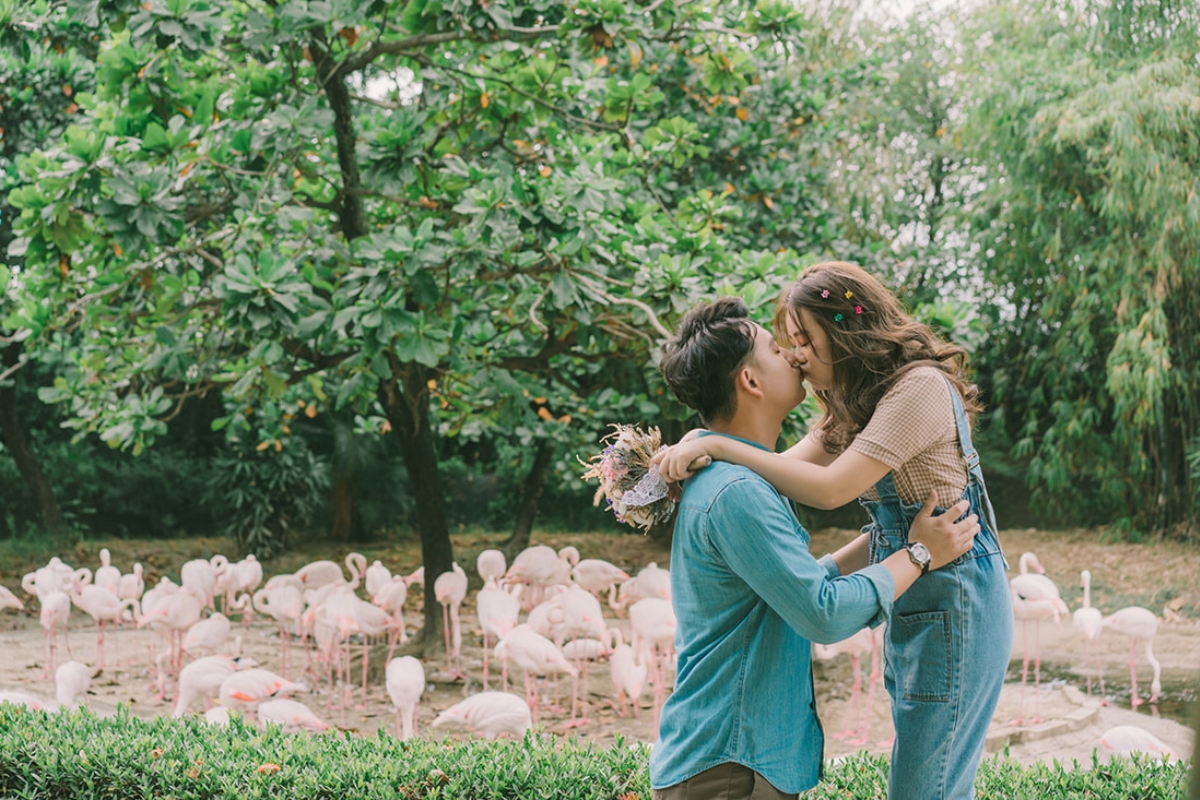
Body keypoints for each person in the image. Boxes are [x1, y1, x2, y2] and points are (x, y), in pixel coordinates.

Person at [655, 262, 1012, 800]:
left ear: (844, 334)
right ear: (749, 380)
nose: (794, 354)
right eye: (784, 344)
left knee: (927, 790)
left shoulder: (917, 389)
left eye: (802, 340)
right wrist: (702, 452)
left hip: (955, 591)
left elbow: (824, 490)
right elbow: (777, 476)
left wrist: (715, 444)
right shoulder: (851, 408)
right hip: (919, 585)